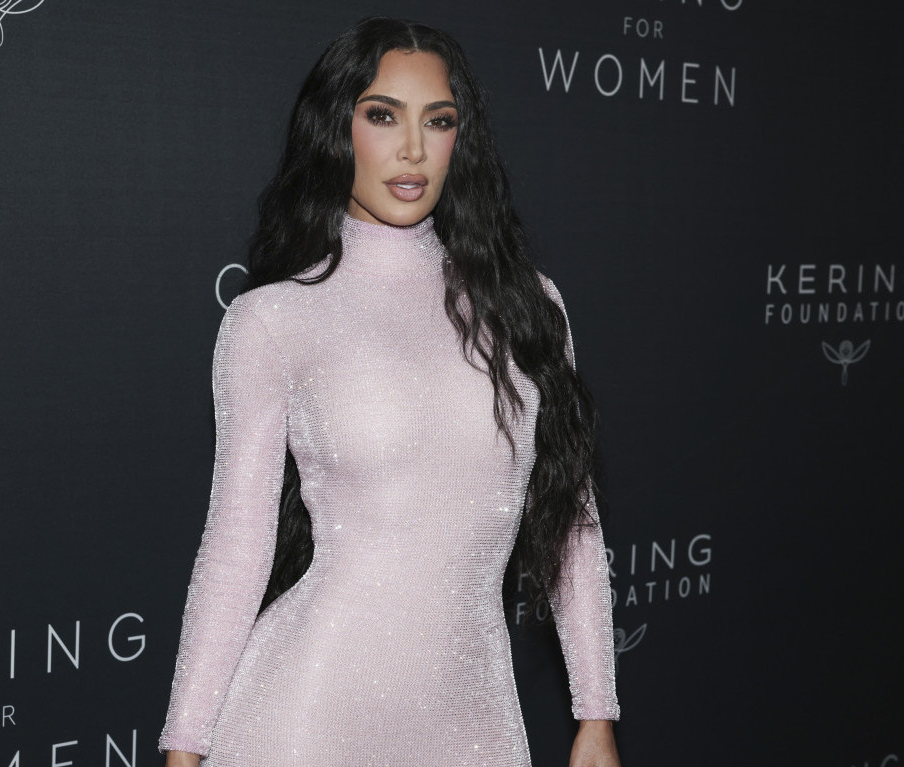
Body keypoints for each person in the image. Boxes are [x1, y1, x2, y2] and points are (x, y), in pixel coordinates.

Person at [159, 17, 621, 767]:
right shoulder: (274, 320)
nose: (412, 149)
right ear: (335, 130)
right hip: (303, 721)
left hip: (473, 723)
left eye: (437, 121)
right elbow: (236, 550)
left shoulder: (530, 309)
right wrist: (185, 745)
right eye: (382, 116)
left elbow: (572, 524)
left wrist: (595, 713)